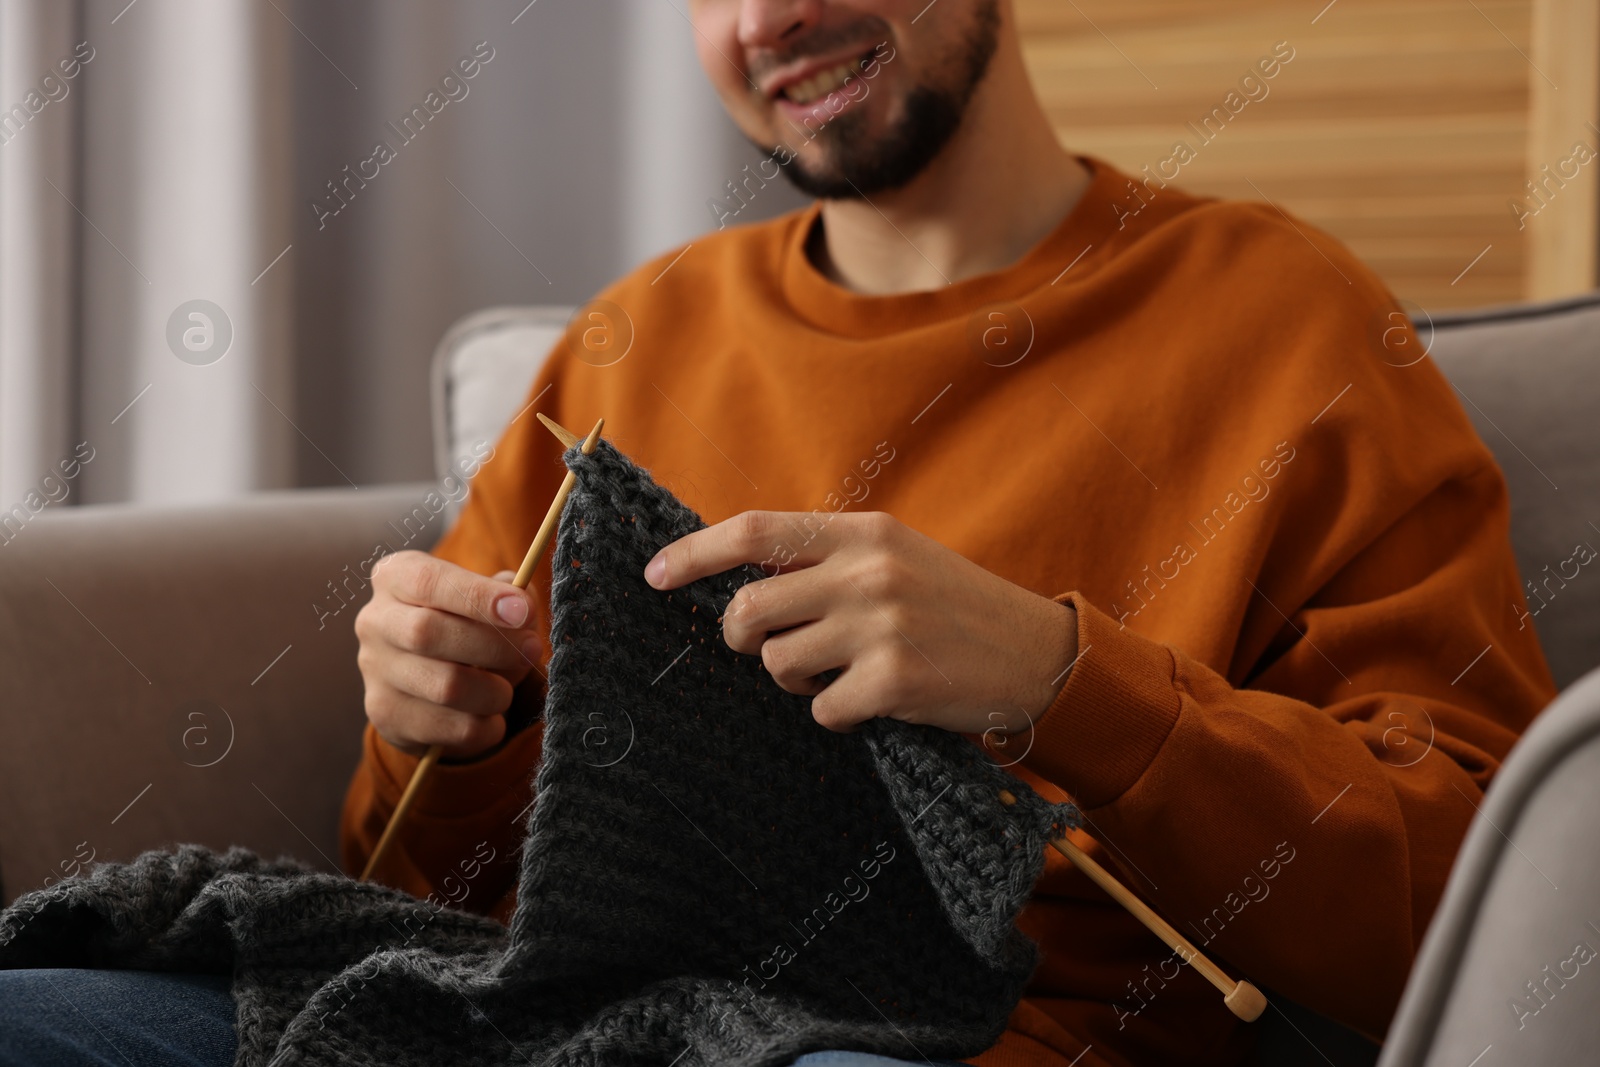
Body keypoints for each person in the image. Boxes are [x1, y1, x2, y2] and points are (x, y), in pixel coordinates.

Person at [2, 2, 1550, 1066]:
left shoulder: (1287, 326)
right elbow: (434, 902)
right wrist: (448, 734)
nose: (768, 17)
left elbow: (1488, 907)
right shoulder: (638, 340)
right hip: (570, 1026)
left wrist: (1062, 679)